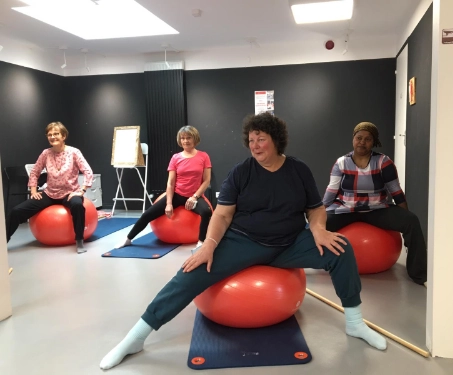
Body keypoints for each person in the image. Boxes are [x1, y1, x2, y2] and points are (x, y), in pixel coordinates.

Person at [100, 113, 386, 370]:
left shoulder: (298, 170)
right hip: (244, 242)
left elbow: (315, 208)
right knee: (189, 272)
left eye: (261, 139)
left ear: (276, 140)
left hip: (290, 243)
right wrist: (209, 245)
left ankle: (355, 323)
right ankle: (136, 338)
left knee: (342, 248)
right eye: (251, 140)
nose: (255, 145)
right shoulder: (241, 172)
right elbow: (222, 215)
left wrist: (319, 229)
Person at [323, 121, 427, 286]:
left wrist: (405, 215)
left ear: (374, 142)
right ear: (353, 139)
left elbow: (396, 191)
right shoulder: (341, 163)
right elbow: (331, 191)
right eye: (359, 138)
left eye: (367, 139)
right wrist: (319, 214)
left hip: (377, 210)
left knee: (411, 221)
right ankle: (311, 263)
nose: (362, 142)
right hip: (346, 210)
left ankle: (420, 275)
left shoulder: (383, 162)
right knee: (314, 227)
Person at [115, 126, 212, 250]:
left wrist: (194, 197)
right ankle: (128, 239)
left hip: (195, 196)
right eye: (183, 138)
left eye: (189, 138)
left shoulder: (203, 156)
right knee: (147, 214)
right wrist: (169, 203)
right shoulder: (176, 158)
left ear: (195, 139)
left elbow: (206, 180)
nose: (185, 141)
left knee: (206, 212)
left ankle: (201, 242)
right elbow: (170, 183)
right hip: (177, 195)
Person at [6, 122, 93, 254]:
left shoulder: (74, 152)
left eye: (56, 134)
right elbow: (35, 172)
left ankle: (79, 241)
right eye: (49, 135)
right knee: (16, 211)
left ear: (63, 136)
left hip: (70, 193)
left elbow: (88, 171)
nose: (52, 137)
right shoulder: (46, 153)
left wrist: (82, 191)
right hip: (50, 193)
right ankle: (3, 241)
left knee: (77, 206)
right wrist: (33, 191)